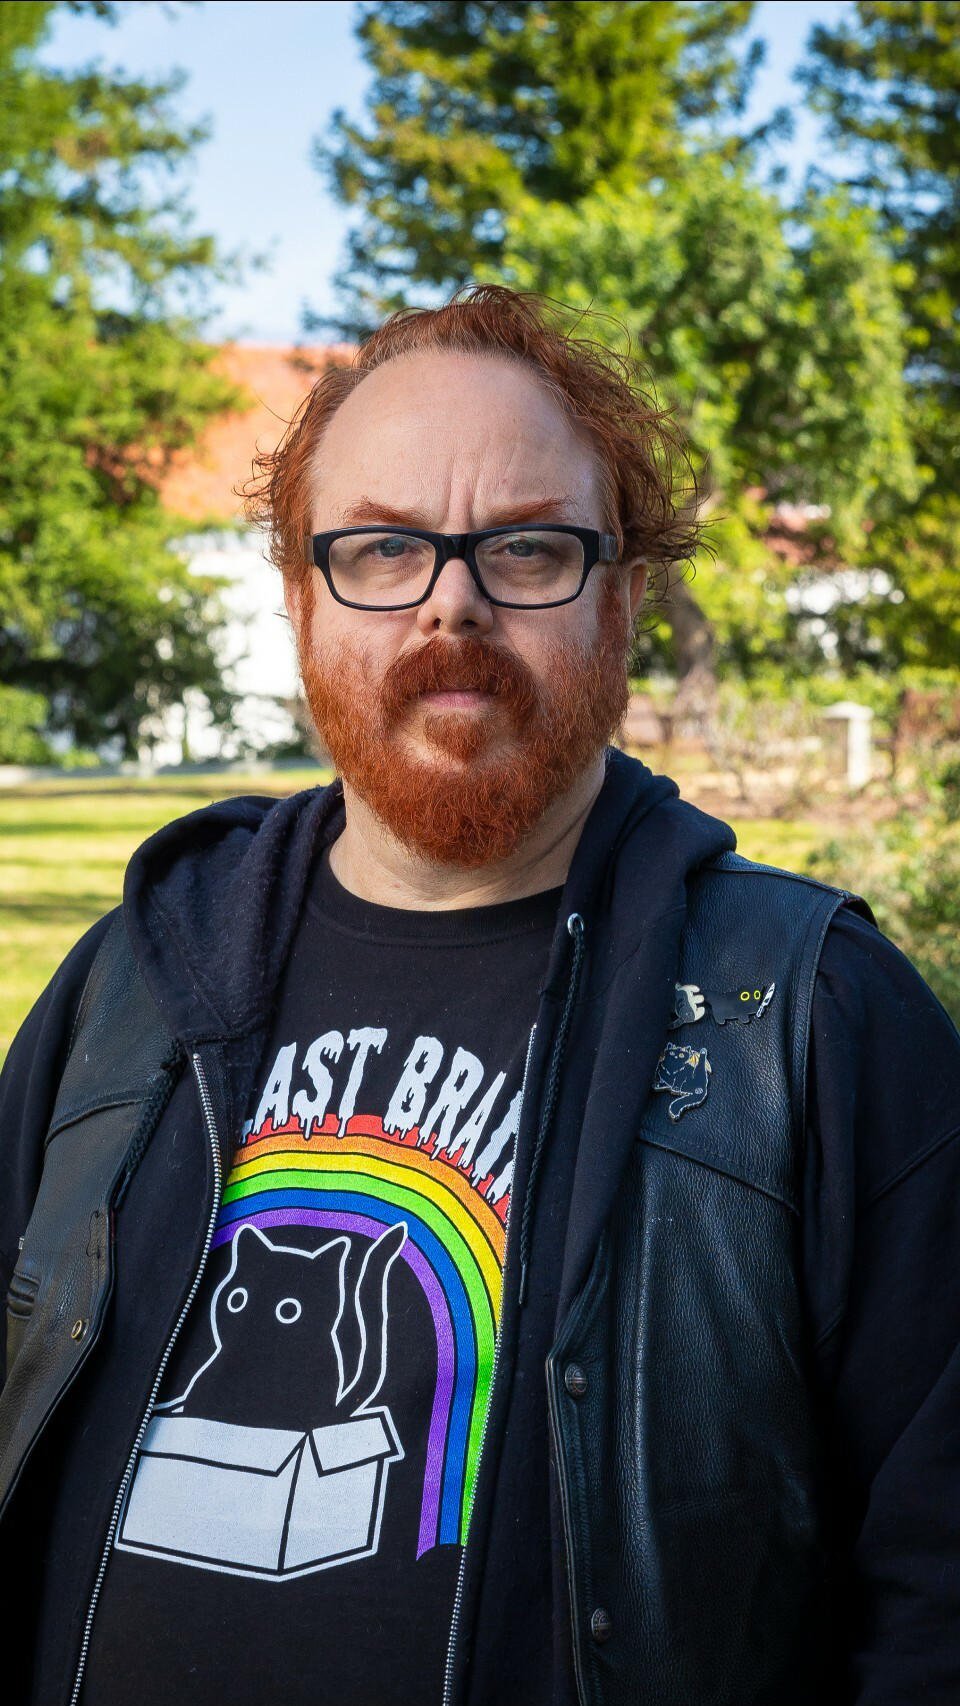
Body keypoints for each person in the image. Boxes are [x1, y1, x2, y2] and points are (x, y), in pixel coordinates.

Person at [1, 285, 958, 1706]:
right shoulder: (129, 983)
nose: (452, 598)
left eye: (527, 546)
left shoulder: (810, 1020)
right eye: (383, 546)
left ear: (624, 593)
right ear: (301, 596)